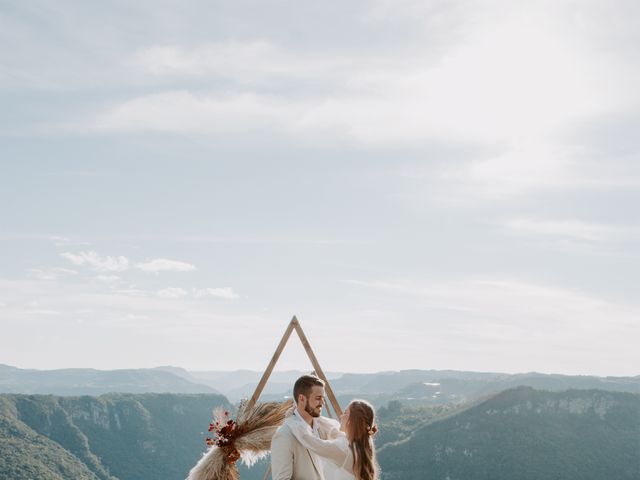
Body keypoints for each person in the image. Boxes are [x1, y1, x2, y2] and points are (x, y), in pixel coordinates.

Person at [288, 399, 379, 480]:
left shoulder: (343, 449)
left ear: (352, 421)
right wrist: (309, 413)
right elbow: (333, 428)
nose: (341, 416)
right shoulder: (360, 444)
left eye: (345, 413)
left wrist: (291, 419)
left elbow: (310, 441)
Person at [271, 374, 328, 480]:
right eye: (318, 398)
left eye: (323, 398)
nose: (322, 403)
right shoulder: (284, 435)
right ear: (301, 399)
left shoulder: (323, 428)